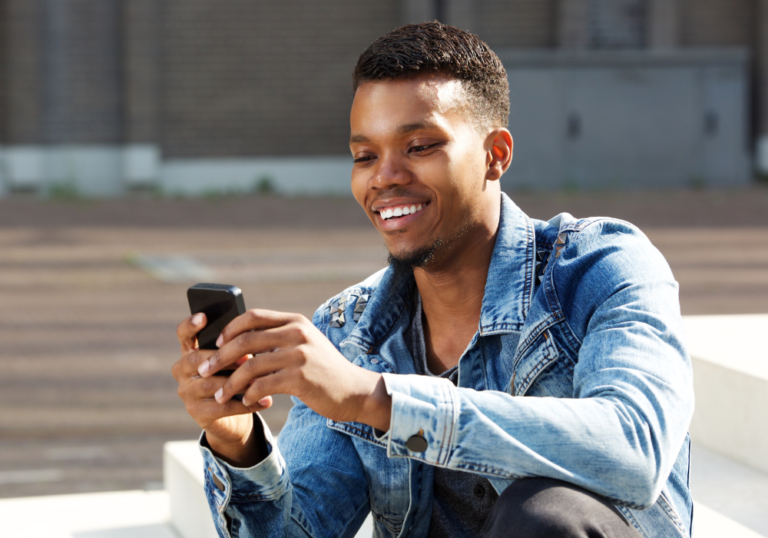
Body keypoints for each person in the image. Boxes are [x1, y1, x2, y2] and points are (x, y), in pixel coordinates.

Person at [172, 22, 694, 538]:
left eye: (419, 146)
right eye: (364, 156)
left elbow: (635, 450)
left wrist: (376, 400)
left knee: (545, 514)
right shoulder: (349, 332)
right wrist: (239, 444)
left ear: (496, 155)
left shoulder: (599, 267)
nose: (385, 176)